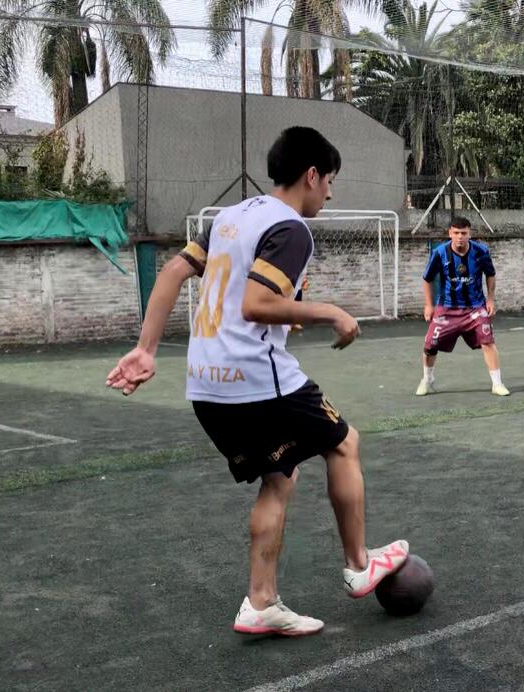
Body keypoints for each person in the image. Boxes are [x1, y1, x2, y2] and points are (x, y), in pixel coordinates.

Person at [105, 126, 408, 637]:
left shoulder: (229, 217)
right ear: (311, 175)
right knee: (344, 443)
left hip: (207, 384)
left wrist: (146, 349)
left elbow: (172, 274)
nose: (330, 193)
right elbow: (256, 304)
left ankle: (261, 602)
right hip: (255, 378)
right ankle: (359, 564)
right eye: (330, 181)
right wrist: (332, 312)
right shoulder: (291, 228)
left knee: (280, 477)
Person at [417, 217, 510, 396]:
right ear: (450, 233)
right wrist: (429, 305)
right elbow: (427, 279)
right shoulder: (439, 253)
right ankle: (427, 379)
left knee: (488, 342)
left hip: (475, 307)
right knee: (430, 346)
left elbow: (490, 274)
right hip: (447, 308)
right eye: (456, 233)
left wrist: (490, 299)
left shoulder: (481, 251)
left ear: (470, 234)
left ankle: (497, 384)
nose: (460, 236)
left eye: (464, 233)